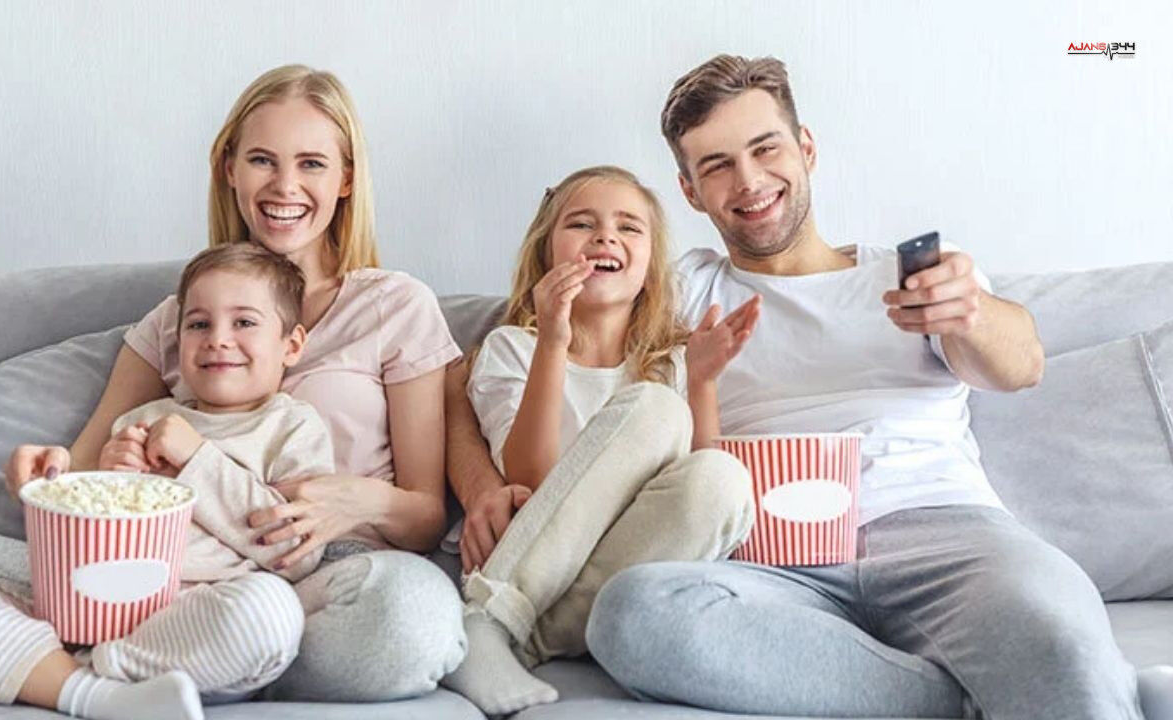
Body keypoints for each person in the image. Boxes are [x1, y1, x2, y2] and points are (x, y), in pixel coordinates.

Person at [446, 55, 1173, 720]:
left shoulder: (914, 275)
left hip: (943, 536)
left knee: (1058, 640)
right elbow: (462, 370)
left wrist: (972, 313)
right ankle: (957, 699)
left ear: (807, 149)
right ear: (690, 191)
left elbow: (1023, 364)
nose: (748, 181)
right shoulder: (677, 289)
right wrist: (482, 488)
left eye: (766, 149)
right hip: (762, 559)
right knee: (632, 614)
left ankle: (1074, 685)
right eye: (718, 165)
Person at [0, 64, 465, 709]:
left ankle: (38, 663)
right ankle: (105, 669)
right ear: (229, 169)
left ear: (347, 179)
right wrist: (44, 476)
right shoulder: (178, 318)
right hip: (153, 574)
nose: (284, 186)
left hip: (311, 584)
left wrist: (358, 501)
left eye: (311, 164)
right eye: (261, 160)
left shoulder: (394, 305)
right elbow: (89, 474)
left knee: (408, 619)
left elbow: (426, 517)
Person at [0, 243, 333, 719]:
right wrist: (66, 483)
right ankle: (83, 689)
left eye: (244, 322)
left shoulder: (292, 427)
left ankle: (40, 672)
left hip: (191, 625)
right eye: (198, 324)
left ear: (292, 345)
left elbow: (299, 554)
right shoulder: (144, 419)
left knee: (270, 614)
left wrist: (197, 459)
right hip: (82, 600)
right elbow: (81, 537)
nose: (217, 339)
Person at [439, 166, 757, 714]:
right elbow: (530, 480)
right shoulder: (514, 348)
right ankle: (490, 615)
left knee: (724, 477)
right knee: (657, 409)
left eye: (628, 227)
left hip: (608, 575)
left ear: (650, 267)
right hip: (527, 557)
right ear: (546, 255)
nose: (605, 237)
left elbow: (699, 506)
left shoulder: (671, 363)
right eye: (582, 224)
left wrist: (702, 381)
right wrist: (553, 341)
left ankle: (523, 640)